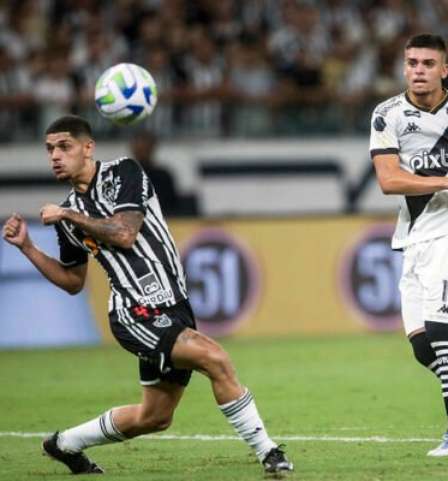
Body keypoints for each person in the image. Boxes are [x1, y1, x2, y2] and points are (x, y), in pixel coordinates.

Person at [1, 114, 293, 475]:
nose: (55, 157)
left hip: (174, 305)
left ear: (88, 147)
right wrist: (28, 247)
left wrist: (69, 215)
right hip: (133, 312)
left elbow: (124, 233)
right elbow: (73, 281)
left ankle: (65, 444)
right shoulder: (66, 216)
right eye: (49, 150)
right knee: (214, 358)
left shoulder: (124, 173)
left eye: (64, 146)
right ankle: (269, 453)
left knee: (154, 417)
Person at [371, 33, 448, 456]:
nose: (419, 70)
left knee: (441, 333)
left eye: (428, 63)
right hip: (414, 238)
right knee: (422, 346)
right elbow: (388, 180)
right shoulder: (388, 115)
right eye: (412, 62)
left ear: (444, 70)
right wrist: (446, 180)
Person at [129, 130, 183, 216]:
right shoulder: (123, 177)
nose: (142, 153)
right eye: (140, 149)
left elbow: (173, 207)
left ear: (152, 148)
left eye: (145, 149)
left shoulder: (163, 176)